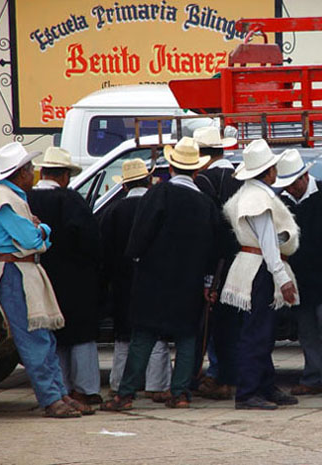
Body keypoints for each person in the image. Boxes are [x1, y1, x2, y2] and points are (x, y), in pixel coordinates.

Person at [101, 137, 220, 411]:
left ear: (171, 167)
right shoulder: (206, 203)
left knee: (143, 336)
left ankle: (125, 394)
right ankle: (180, 394)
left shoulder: (157, 194)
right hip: (190, 281)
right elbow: (214, 247)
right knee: (187, 337)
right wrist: (208, 281)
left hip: (154, 279)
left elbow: (139, 237)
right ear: (197, 171)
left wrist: (136, 258)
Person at [0, 142, 92, 417]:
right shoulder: (3, 200)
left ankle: (58, 393)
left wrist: (37, 229)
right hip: (14, 272)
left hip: (22, 271)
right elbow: (32, 240)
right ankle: (51, 398)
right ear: (19, 172)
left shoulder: (10, 197)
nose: (33, 173)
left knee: (43, 337)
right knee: (33, 337)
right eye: (29, 168)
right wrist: (43, 228)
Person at [220, 139, 300, 410]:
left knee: (259, 332)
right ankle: (248, 392)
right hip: (260, 269)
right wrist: (283, 278)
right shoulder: (258, 199)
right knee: (257, 333)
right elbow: (268, 243)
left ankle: (264, 385)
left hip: (249, 265)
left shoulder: (246, 194)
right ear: (267, 172)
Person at [27, 147, 104, 407]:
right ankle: (85, 389)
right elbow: (91, 241)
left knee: (52, 334)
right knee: (81, 335)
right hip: (76, 279)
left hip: (38, 275)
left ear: (43, 173)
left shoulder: (25, 199)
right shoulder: (71, 201)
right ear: (64, 176)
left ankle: (60, 388)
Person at [274, 149, 322, 400]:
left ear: (305, 176)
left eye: (294, 183)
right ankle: (312, 377)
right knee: (305, 328)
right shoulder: (283, 201)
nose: (291, 189)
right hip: (300, 278)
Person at [98, 159, 172, 403]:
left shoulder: (113, 212)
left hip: (123, 282)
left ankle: (120, 383)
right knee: (156, 333)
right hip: (155, 278)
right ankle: (157, 384)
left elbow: (106, 252)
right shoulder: (158, 208)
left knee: (124, 335)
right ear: (147, 181)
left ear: (126, 185)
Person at [192, 126, 242, 400]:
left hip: (216, 262)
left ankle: (221, 376)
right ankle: (232, 375)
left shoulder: (203, 182)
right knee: (236, 323)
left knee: (215, 323)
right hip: (242, 257)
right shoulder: (240, 176)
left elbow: (205, 229)